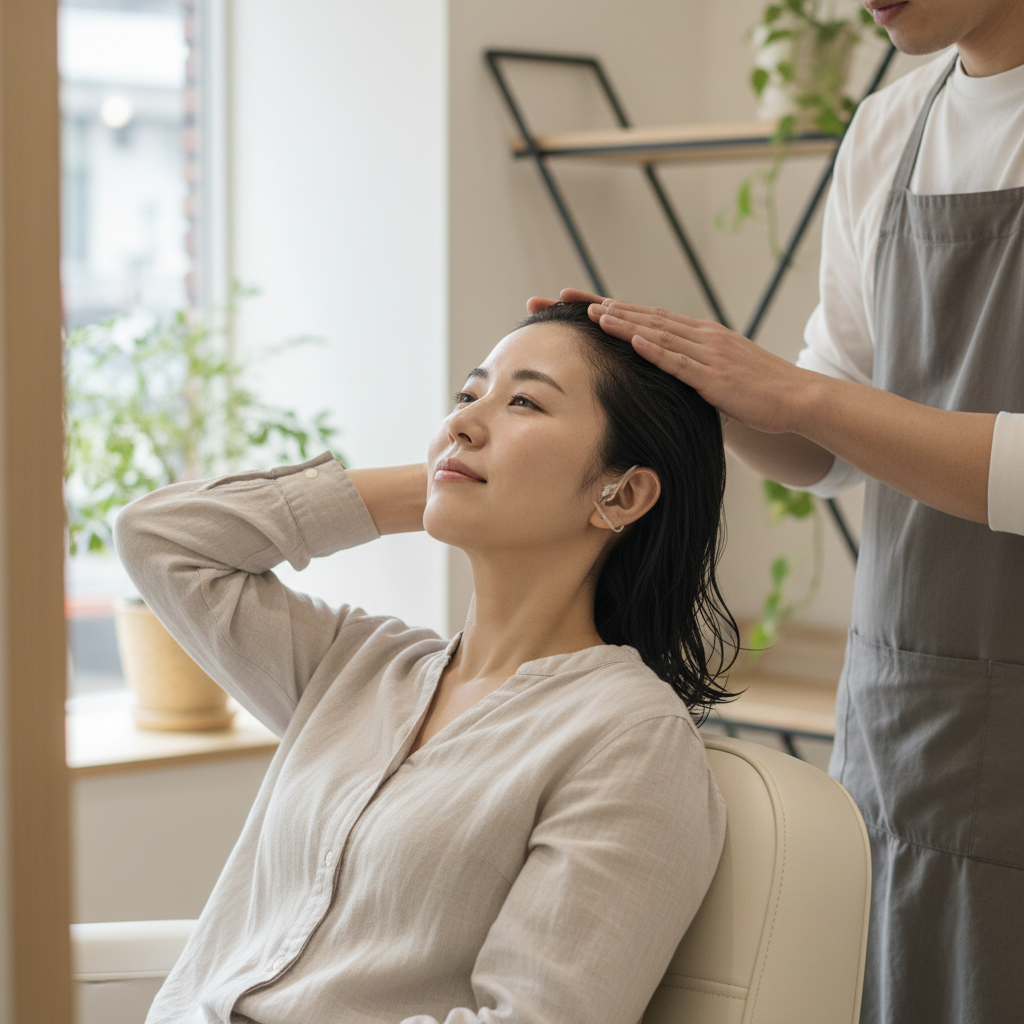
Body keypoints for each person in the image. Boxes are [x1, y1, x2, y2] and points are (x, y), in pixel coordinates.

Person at [527, 3, 1024, 1022]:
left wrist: (799, 394)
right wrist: (694, 381)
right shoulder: (892, 127)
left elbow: (825, 405)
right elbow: (828, 446)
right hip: (910, 721)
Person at [114, 301, 738, 1024]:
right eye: (467, 397)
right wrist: (443, 478)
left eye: (525, 402)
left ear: (624, 492)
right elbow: (158, 537)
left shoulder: (628, 739)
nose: (463, 422)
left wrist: (469, 471)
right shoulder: (355, 666)